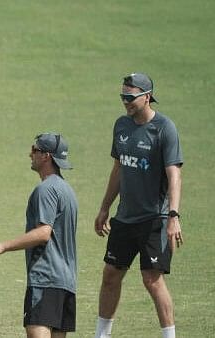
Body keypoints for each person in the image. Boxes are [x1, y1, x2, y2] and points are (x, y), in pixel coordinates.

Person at [93, 73, 183, 338]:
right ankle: (102, 335)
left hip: (155, 218)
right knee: (110, 274)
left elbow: (174, 174)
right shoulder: (121, 126)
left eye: (130, 97)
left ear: (147, 96)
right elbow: (118, 169)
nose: (125, 102)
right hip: (125, 218)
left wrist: (173, 215)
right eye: (123, 96)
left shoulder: (164, 129)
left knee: (152, 279)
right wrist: (104, 207)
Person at [0, 133, 78, 338]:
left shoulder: (45, 190)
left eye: (35, 150)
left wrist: (3, 246)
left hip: (45, 279)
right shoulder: (67, 191)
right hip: (66, 282)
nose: (30, 154)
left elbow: (44, 233)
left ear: (46, 156)